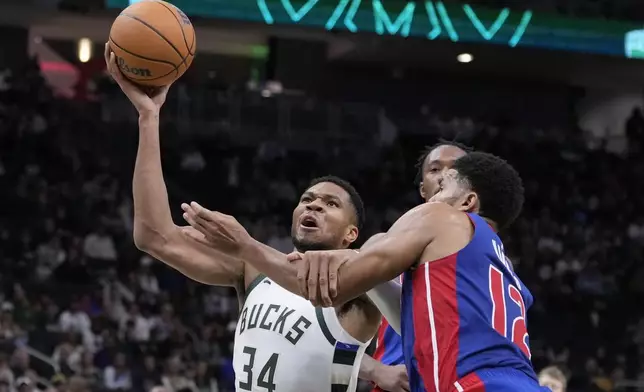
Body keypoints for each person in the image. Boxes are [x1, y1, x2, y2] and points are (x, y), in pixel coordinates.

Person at [103, 44, 406, 392]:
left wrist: (245, 244)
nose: (314, 206)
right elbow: (153, 235)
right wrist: (148, 117)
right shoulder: (254, 270)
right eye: (307, 199)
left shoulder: (358, 284)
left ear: (351, 234)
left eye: (330, 204)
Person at [180, 152, 548, 391]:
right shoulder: (500, 272)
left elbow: (333, 289)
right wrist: (347, 257)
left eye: (443, 185)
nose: (432, 194)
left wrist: (243, 244)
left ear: (467, 202)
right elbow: (405, 307)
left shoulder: (442, 217)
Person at [370, 142, 468, 392]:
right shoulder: (382, 245)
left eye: (456, 170)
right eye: (435, 169)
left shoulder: (489, 255)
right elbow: (324, 329)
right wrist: (374, 370)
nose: (445, 176)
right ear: (423, 188)